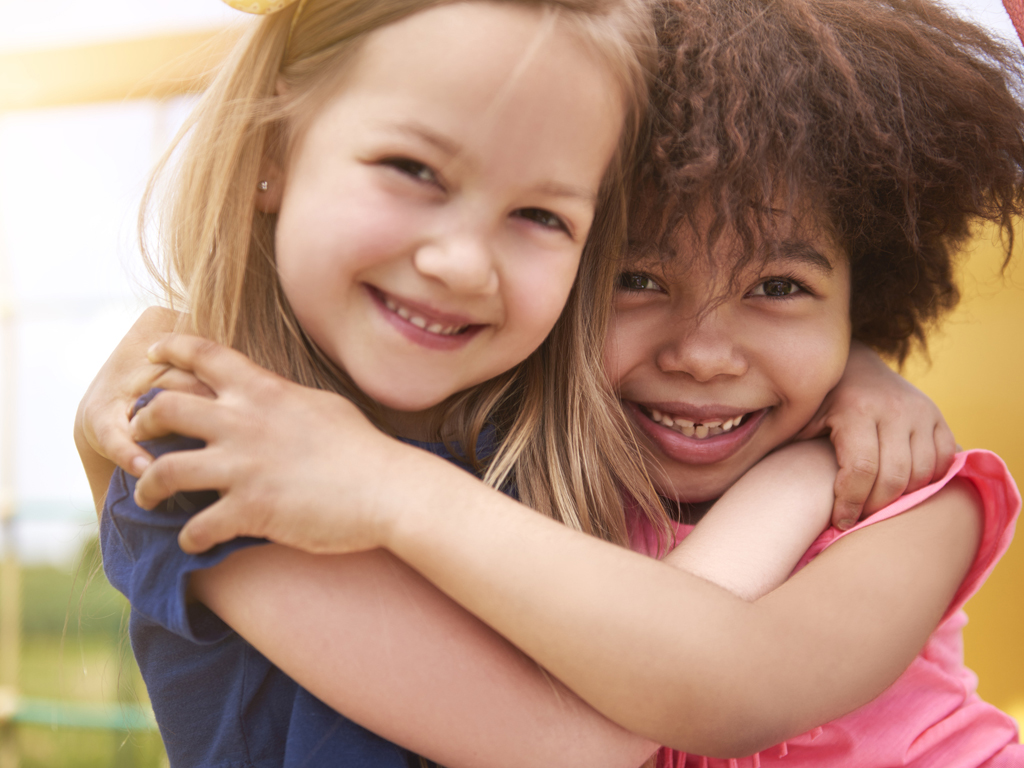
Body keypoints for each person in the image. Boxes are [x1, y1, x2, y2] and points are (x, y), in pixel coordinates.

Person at [76, 0, 1024, 766]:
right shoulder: (222, 453)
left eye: (538, 213)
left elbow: (717, 669)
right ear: (271, 152)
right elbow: (581, 737)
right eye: (639, 279)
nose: (704, 353)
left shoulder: (537, 445)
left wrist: (850, 381)